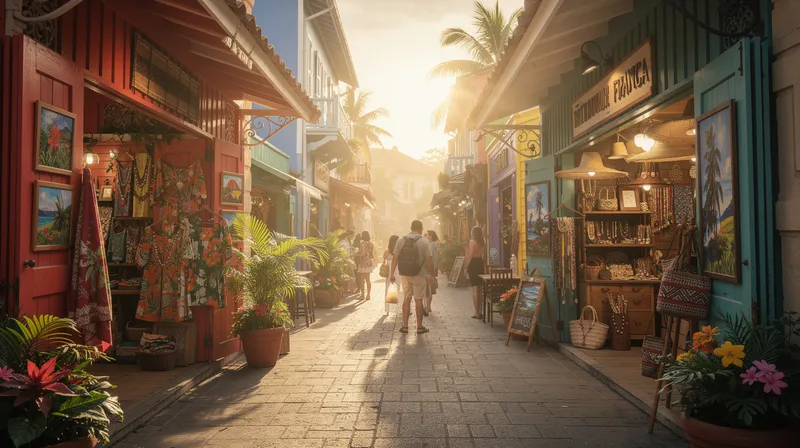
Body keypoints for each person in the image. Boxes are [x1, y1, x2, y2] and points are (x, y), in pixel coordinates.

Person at [390, 220, 435, 334]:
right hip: (419, 274)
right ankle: (419, 327)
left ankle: (405, 326)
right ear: (421, 229)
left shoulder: (401, 240)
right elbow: (429, 260)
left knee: (406, 299)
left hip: (405, 274)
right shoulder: (424, 241)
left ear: (411, 228)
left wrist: (392, 274)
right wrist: (431, 274)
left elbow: (395, 257)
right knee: (418, 300)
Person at [464, 226, 486, 319]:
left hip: (473, 264)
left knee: (475, 289)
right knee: (480, 289)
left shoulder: (472, 242)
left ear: (474, 233)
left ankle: (476, 312)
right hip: (480, 263)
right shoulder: (483, 241)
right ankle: (480, 311)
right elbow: (483, 254)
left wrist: (466, 267)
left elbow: (470, 255)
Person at [383, 235, 401, 315]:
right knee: (399, 289)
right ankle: (399, 308)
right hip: (398, 271)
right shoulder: (400, 251)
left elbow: (384, 261)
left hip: (389, 273)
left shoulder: (387, 252)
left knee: (387, 290)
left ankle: (387, 309)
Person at [423, 230, 439, 315]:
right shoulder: (433, 245)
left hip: (429, 269)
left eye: (427, 235)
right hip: (433, 269)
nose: (425, 236)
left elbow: (430, 258)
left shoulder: (431, 245)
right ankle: (428, 306)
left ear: (430, 236)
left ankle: (428, 307)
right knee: (429, 288)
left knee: (428, 289)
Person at [356, 230, 374, 300]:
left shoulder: (362, 243)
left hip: (363, 262)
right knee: (368, 279)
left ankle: (362, 295)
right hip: (369, 262)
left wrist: (356, 254)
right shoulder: (371, 244)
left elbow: (363, 253)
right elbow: (370, 253)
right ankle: (368, 295)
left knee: (362, 279)